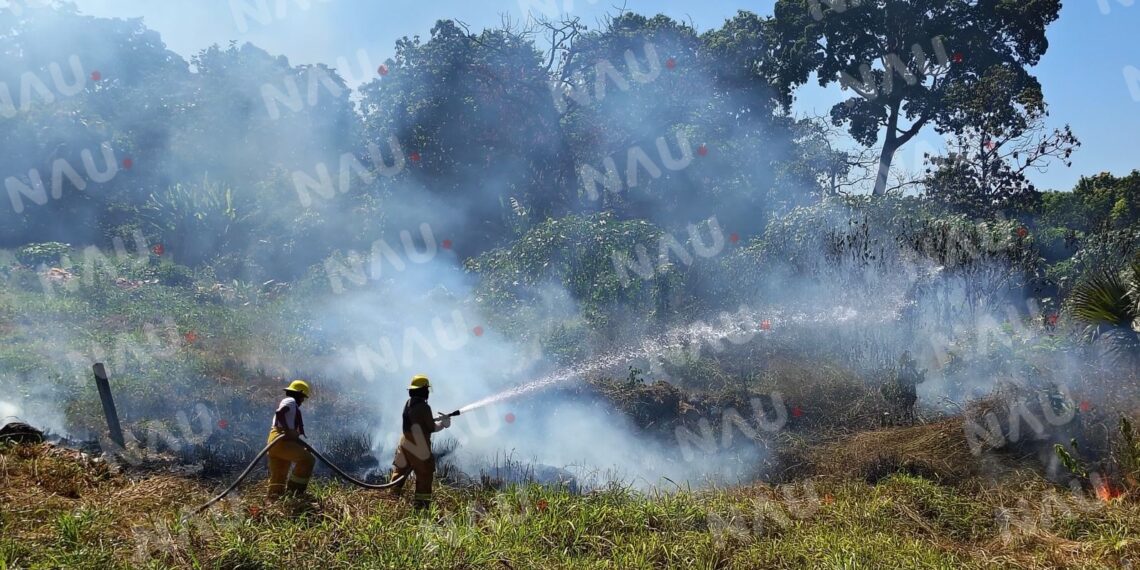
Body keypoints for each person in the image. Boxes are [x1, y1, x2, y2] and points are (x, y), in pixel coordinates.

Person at [390, 374, 451, 509]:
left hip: (404, 443)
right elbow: (431, 427)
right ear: (424, 390)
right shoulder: (424, 407)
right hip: (419, 447)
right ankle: (421, 508)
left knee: (398, 473)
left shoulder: (408, 403)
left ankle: (390, 501)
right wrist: (444, 424)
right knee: (425, 475)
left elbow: (417, 420)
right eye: (427, 389)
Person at [266, 379, 316, 499]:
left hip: (275, 441)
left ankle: (274, 500)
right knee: (308, 460)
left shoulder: (290, 402)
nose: (302, 401)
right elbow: (280, 413)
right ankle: (295, 493)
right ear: (298, 394)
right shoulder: (290, 400)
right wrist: (288, 430)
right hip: (281, 440)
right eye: (302, 397)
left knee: (279, 474)